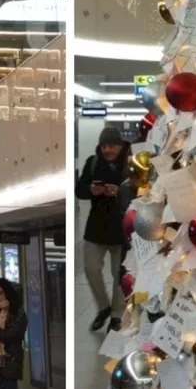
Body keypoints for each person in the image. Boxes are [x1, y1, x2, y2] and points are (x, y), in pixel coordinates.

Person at [75, 127, 128, 332]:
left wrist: (119, 191)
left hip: (122, 228)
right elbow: (79, 190)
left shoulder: (130, 163)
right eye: (104, 146)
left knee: (119, 276)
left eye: (111, 146)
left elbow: (141, 191)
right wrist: (91, 190)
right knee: (91, 269)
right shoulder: (93, 162)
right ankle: (103, 307)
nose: (107, 150)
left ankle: (116, 315)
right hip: (96, 227)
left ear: (120, 146)